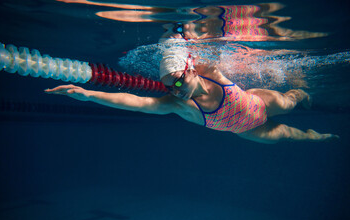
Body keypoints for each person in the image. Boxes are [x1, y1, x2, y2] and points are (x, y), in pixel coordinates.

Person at [45, 24, 338, 144]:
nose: (175, 90)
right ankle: (317, 135)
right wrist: (88, 94)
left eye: (178, 80)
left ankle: (302, 94)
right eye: (169, 85)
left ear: (191, 69)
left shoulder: (209, 68)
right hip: (248, 129)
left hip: (259, 102)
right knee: (296, 136)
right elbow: (135, 102)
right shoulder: (179, 105)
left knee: (289, 100)